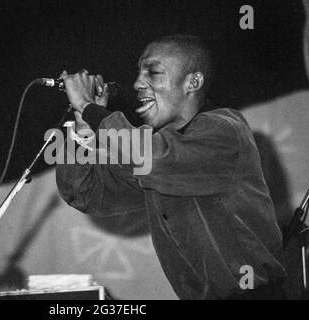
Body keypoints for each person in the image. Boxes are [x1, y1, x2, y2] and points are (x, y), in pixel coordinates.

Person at [55, 34, 287, 299]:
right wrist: (82, 132)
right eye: (139, 73)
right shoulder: (159, 150)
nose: (137, 83)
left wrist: (88, 107)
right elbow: (86, 193)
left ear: (193, 82)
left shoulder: (224, 129)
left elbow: (151, 158)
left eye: (153, 72)